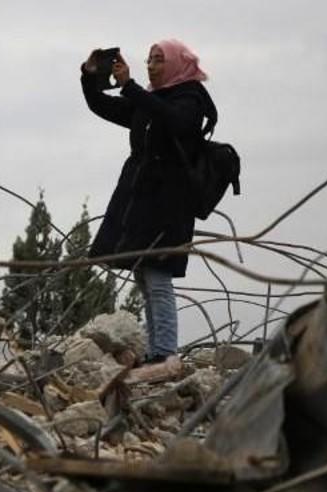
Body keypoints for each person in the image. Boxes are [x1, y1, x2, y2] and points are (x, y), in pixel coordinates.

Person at [80, 39, 216, 366]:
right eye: (149, 60)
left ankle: (166, 352)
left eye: (158, 60)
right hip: (140, 200)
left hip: (169, 203)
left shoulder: (191, 98)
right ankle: (157, 351)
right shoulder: (149, 100)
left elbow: (176, 121)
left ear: (177, 64)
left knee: (158, 275)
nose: (151, 66)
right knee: (144, 274)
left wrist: (130, 86)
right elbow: (103, 106)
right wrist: (90, 75)